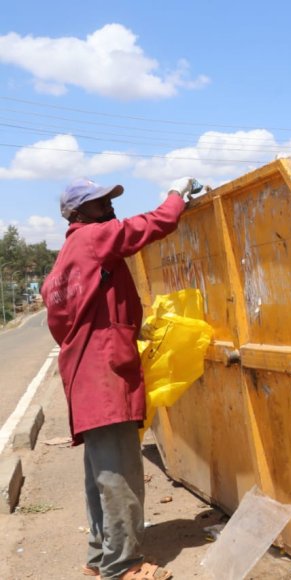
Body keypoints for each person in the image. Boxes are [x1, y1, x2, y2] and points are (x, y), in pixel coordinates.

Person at [41, 176, 198, 580]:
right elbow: (148, 226)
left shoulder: (62, 263)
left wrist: (112, 328)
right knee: (121, 475)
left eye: (108, 200)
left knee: (101, 474)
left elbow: (60, 324)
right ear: (78, 214)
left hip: (83, 372)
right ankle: (123, 565)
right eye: (98, 203)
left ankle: (100, 557)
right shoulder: (94, 237)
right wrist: (177, 197)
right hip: (106, 373)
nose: (108, 207)